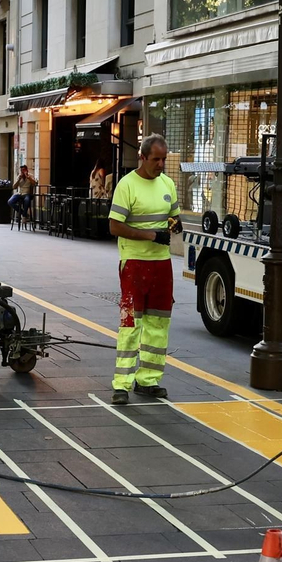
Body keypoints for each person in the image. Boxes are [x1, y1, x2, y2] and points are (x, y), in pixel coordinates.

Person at [106, 135, 179, 405]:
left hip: (162, 263)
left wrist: (175, 224)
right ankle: (121, 384)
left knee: (158, 322)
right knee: (131, 323)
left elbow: (174, 215)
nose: (161, 164)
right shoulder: (127, 185)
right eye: (156, 159)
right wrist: (150, 236)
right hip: (135, 262)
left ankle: (148, 380)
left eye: (164, 159)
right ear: (143, 157)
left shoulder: (168, 184)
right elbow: (114, 226)